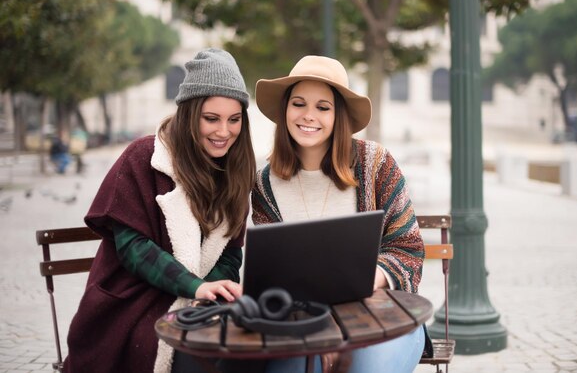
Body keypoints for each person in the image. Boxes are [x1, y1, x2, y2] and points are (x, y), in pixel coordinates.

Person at [63, 48, 256, 373]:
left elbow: (230, 256)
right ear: (189, 114)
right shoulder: (144, 157)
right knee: (196, 357)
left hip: (197, 306)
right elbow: (133, 249)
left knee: (245, 351)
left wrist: (208, 292)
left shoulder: (235, 174)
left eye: (234, 120)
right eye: (211, 119)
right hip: (131, 304)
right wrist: (193, 286)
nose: (224, 132)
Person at [251, 55, 427, 373]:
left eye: (323, 107)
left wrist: (361, 280)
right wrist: (320, 332)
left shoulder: (376, 164)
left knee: (363, 368)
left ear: (338, 115)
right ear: (285, 109)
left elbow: (408, 249)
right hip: (304, 324)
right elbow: (274, 277)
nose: (308, 116)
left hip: (382, 319)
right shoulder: (265, 185)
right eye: (299, 104)